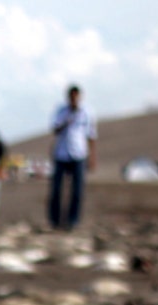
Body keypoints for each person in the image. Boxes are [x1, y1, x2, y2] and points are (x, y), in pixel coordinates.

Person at [48, 84, 97, 230]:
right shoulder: (61, 111)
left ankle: (72, 221)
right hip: (61, 154)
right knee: (56, 189)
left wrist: (93, 157)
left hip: (79, 154)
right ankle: (55, 220)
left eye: (76, 97)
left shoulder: (87, 112)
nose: (74, 99)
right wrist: (66, 121)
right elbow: (54, 129)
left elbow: (92, 135)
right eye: (71, 97)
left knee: (77, 191)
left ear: (80, 97)